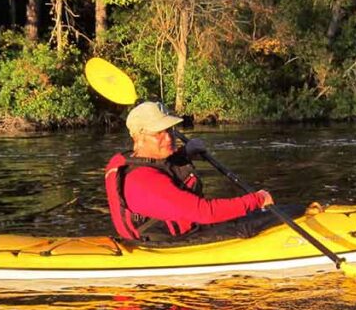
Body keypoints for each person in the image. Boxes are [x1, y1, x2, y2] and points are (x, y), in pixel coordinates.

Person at [104, 101, 274, 242]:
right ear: (138, 138)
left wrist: (186, 152)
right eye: (158, 133)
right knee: (267, 219)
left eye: (170, 130)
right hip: (172, 242)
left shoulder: (142, 160)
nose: (169, 137)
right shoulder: (143, 182)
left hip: (181, 231)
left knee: (286, 211)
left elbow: (164, 167)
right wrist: (257, 200)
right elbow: (204, 212)